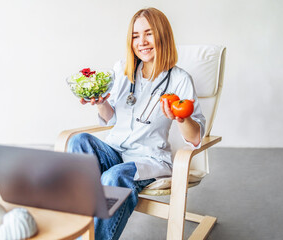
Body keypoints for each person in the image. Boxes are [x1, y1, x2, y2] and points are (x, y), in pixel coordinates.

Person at [68, 7, 205, 240]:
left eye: (149, 33)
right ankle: (79, 227)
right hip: (115, 150)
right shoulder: (122, 70)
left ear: (163, 35)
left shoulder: (180, 80)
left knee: (114, 177)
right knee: (78, 142)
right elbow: (111, 119)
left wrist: (182, 118)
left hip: (147, 159)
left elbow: (195, 137)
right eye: (135, 35)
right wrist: (100, 102)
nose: (141, 42)